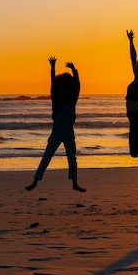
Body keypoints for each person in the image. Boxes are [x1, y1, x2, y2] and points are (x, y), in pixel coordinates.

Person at [26, 57, 86, 192]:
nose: (64, 93)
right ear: (58, 92)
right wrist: (52, 68)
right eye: (62, 91)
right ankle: (35, 180)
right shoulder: (56, 103)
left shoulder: (72, 101)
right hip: (56, 133)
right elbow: (53, 85)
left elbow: (77, 86)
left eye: (67, 91)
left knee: (72, 157)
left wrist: (74, 71)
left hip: (69, 133)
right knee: (47, 155)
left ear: (70, 92)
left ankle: (74, 183)